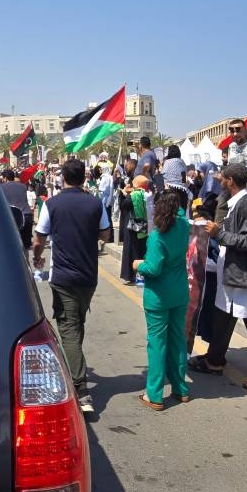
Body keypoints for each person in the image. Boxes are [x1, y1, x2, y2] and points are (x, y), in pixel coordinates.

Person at [188, 164, 247, 393]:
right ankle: (215, 360)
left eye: (222, 178)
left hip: (246, 276)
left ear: (230, 181)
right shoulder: (237, 202)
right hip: (235, 275)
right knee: (223, 316)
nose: (219, 180)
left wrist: (219, 233)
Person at [32, 159, 112, 411]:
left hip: (63, 277)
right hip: (88, 277)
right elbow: (105, 234)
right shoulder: (95, 203)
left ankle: (81, 388)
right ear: (83, 178)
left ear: (62, 178)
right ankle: (75, 368)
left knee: (68, 329)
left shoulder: (51, 204)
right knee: (76, 325)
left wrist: (37, 257)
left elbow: (39, 239)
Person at [133, 192, 191, 410]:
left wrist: (138, 265)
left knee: (157, 343)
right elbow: (181, 212)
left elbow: (153, 268)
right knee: (177, 340)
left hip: (158, 296)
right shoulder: (183, 225)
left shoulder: (158, 236)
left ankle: (155, 394)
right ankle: (180, 388)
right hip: (179, 292)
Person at [215, 118, 247, 223]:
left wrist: (240, 176)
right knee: (223, 222)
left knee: (245, 224)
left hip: (246, 193)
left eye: (238, 130)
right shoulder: (231, 146)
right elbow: (230, 168)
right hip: (230, 192)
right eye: (232, 130)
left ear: (245, 131)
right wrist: (223, 175)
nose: (235, 134)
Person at [119, 175, 151, 283]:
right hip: (145, 225)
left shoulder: (135, 195)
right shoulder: (148, 193)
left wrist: (124, 194)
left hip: (134, 226)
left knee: (132, 250)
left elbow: (124, 205)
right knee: (142, 250)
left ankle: (132, 276)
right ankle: (141, 277)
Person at [0, 169, 34, 254]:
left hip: (14, 216)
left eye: (2, 178)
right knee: (25, 247)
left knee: (11, 246)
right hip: (27, 215)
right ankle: (26, 262)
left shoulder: (1, 188)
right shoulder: (23, 186)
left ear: (5, 178)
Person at [98, 164, 115, 253]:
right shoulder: (104, 177)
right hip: (103, 199)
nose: (100, 170)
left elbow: (109, 190)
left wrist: (109, 200)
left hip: (106, 200)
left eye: (102, 168)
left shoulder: (108, 177)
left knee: (107, 217)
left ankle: (110, 236)